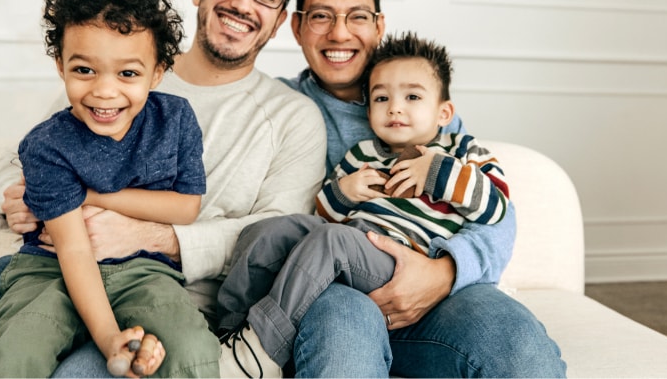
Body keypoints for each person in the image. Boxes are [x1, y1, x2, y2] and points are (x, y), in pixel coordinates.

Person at [0, 0, 326, 377]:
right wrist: (16, 196)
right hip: (47, 259)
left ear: (280, 20)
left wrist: (156, 237)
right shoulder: (108, 56)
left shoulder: (290, 117)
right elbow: (23, 158)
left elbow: (276, 236)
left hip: (160, 284)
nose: (242, 0)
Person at [279, 0, 567, 377]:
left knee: (520, 347)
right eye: (321, 16)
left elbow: (495, 214)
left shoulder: (422, 102)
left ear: (378, 25)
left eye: (357, 16)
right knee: (343, 353)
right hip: (337, 291)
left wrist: (444, 273)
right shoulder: (280, 108)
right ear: (297, 26)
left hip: (438, 284)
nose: (340, 33)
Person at [0, 0, 218, 378]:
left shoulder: (177, 120)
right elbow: (74, 249)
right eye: (84, 69)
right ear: (60, 65)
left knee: (192, 348)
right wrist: (110, 338)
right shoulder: (46, 145)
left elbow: (186, 207)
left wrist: (94, 197)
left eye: (128, 73)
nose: (104, 91)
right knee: (14, 356)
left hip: (144, 269)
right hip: (50, 269)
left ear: (158, 73)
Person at [216, 31, 512, 377]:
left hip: (402, 257)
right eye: (381, 98)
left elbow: (495, 207)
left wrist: (436, 170)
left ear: (444, 112)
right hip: (349, 246)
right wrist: (344, 191)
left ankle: (261, 351)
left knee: (332, 240)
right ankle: (230, 334)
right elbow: (323, 213)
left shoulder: (461, 150)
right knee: (267, 231)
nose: (395, 108)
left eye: (412, 96)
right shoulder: (363, 154)